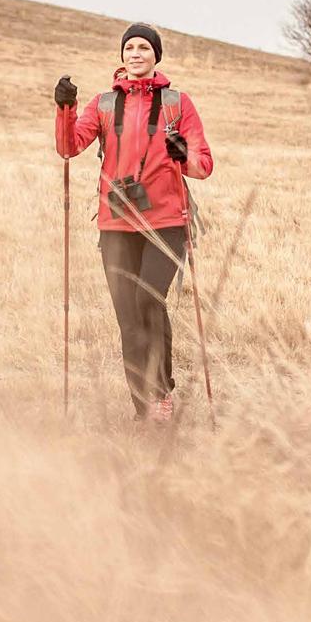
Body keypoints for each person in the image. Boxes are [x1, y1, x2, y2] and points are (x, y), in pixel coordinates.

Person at [53, 22, 213, 423]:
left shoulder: (177, 103)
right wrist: (65, 108)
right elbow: (69, 147)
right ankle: (142, 407)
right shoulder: (105, 104)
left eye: (144, 47)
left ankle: (161, 392)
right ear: (122, 56)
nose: (136, 54)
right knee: (127, 316)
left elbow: (203, 165)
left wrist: (182, 156)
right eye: (130, 48)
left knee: (148, 300)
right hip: (117, 222)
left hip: (166, 221)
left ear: (156, 55)